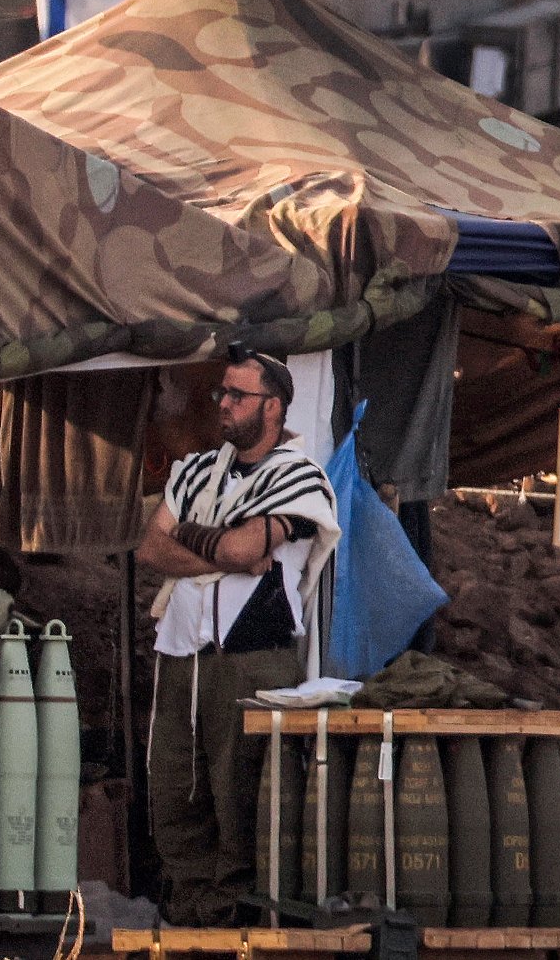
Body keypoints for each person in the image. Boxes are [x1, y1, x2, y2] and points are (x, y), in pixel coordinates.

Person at [135, 346, 341, 926]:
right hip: (182, 651)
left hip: (252, 656)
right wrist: (220, 554)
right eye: (220, 393)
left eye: (237, 395)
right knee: (176, 783)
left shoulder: (301, 479)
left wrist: (211, 544)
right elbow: (153, 547)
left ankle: (235, 917)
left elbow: (247, 549)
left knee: (241, 790)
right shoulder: (197, 468)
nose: (223, 404)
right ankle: (191, 907)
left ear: (272, 407)